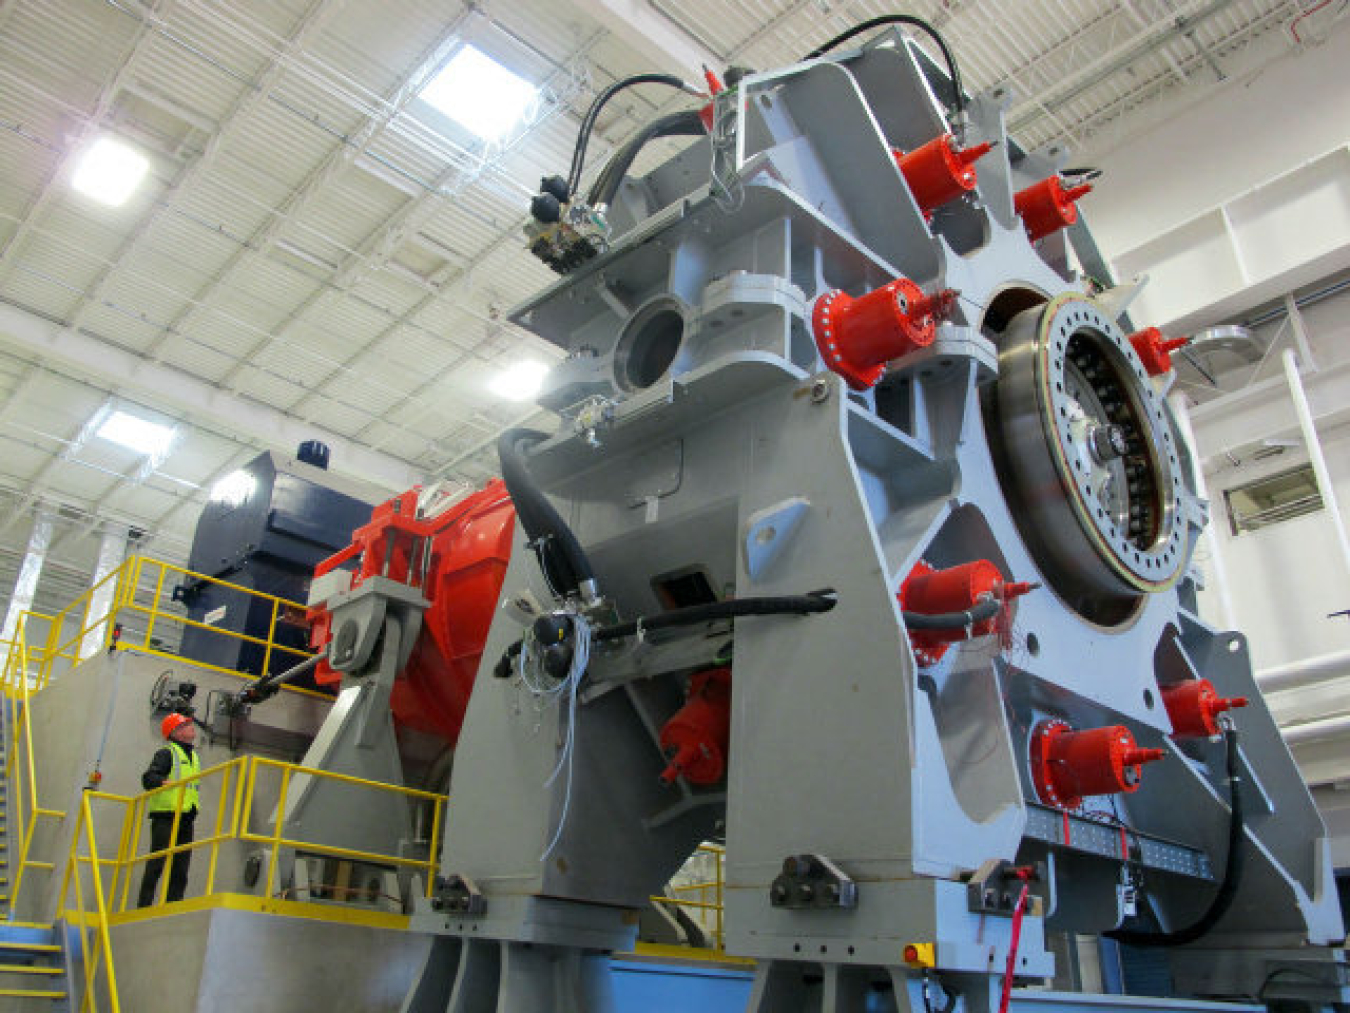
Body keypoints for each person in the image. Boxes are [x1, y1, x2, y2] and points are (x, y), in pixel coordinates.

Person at [136, 712, 200, 907]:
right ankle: (144, 906)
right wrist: (162, 781)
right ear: (176, 732)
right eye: (187, 725)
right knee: (157, 864)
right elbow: (148, 778)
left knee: (181, 868)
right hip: (166, 816)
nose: (192, 727)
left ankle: (173, 906)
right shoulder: (167, 753)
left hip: (186, 817)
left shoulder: (194, 756)